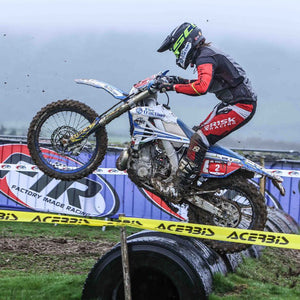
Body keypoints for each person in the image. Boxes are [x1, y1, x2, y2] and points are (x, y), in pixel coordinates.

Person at [152, 22, 257, 200]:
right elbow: (202, 84)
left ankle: (179, 188)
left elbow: (201, 87)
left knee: (199, 139)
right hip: (230, 103)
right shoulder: (206, 54)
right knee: (194, 137)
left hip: (241, 106)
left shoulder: (205, 57)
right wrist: (175, 81)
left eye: (175, 50)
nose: (177, 55)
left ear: (183, 43)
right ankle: (196, 183)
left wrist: (173, 87)